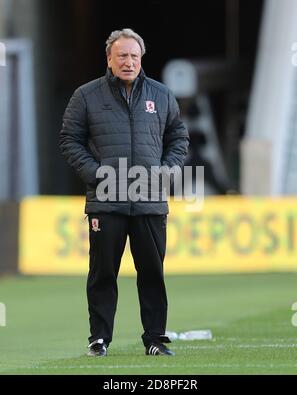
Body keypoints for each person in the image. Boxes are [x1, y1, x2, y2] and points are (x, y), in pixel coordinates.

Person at [59, 28, 189, 357]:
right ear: (109, 59)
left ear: (141, 59)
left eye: (133, 56)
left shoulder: (162, 96)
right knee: (103, 273)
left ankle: (155, 340)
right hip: (106, 202)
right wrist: (95, 173)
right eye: (122, 56)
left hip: (150, 202)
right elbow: (69, 139)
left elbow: (179, 139)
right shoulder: (86, 96)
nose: (128, 62)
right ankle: (99, 339)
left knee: (152, 274)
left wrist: (166, 170)